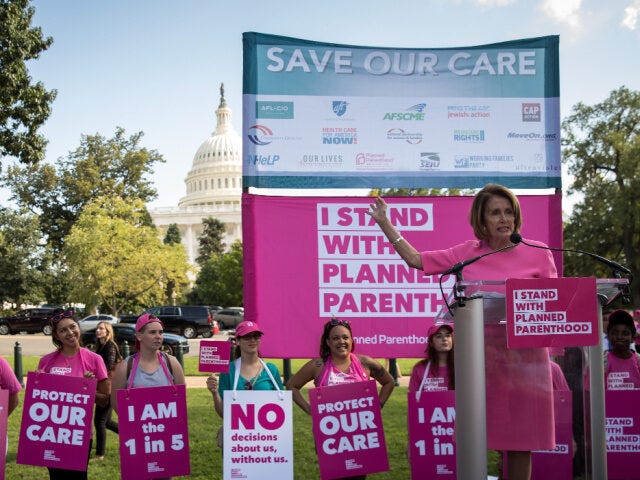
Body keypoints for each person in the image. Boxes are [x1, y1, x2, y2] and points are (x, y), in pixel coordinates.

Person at [368, 184, 557, 480]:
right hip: (482, 362)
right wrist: (385, 224)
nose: (504, 219)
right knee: (476, 439)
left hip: (526, 363)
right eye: (495, 213)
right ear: (482, 221)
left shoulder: (538, 253)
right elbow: (417, 260)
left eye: (509, 212)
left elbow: (551, 306)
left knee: (522, 444)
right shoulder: (468, 254)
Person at [287, 318, 394, 480]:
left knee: (358, 475)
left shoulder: (365, 363)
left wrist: (377, 406)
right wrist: (310, 409)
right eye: (335, 338)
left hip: (359, 436)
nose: (341, 341)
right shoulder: (318, 365)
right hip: (330, 435)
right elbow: (291, 385)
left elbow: (389, 382)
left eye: (345, 337)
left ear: (352, 340)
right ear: (328, 342)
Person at [37, 307, 110, 480]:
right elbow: (39, 400)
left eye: (72, 327)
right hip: (52, 434)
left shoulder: (94, 359)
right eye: (63, 330)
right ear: (56, 336)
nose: (70, 333)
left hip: (79, 436)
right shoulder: (46, 361)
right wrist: (39, 384)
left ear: (78, 327)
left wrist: (87, 387)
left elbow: (104, 400)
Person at [206, 321, 283, 419]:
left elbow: (282, 405)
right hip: (240, 434)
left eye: (256, 336)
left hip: (267, 432)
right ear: (237, 341)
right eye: (247, 337)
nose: (252, 340)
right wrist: (215, 393)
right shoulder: (228, 371)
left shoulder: (271, 370)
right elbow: (224, 414)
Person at [111, 313, 185, 412]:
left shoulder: (172, 363)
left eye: (161, 332)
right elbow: (116, 403)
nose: (158, 336)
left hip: (166, 427)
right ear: (139, 336)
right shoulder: (125, 367)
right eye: (152, 332)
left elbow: (181, 400)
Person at [92, 321, 121, 460]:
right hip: (105, 386)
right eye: (97, 328)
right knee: (107, 422)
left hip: (108, 388)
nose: (98, 330)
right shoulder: (101, 346)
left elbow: (108, 366)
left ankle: (100, 454)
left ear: (108, 331)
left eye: (101, 328)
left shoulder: (110, 346)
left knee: (99, 421)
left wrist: (93, 371)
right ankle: (131, 434)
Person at [409, 323, 454, 394]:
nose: (445, 339)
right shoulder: (420, 368)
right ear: (431, 343)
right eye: (439, 336)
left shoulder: (463, 367)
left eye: (448, 335)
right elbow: (414, 398)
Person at [604, 309, 640, 390]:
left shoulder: (638, 362)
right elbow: (590, 396)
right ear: (608, 336)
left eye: (625, 333)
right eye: (615, 333)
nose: (619, 337)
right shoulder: (601, 364)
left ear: (632, 338)